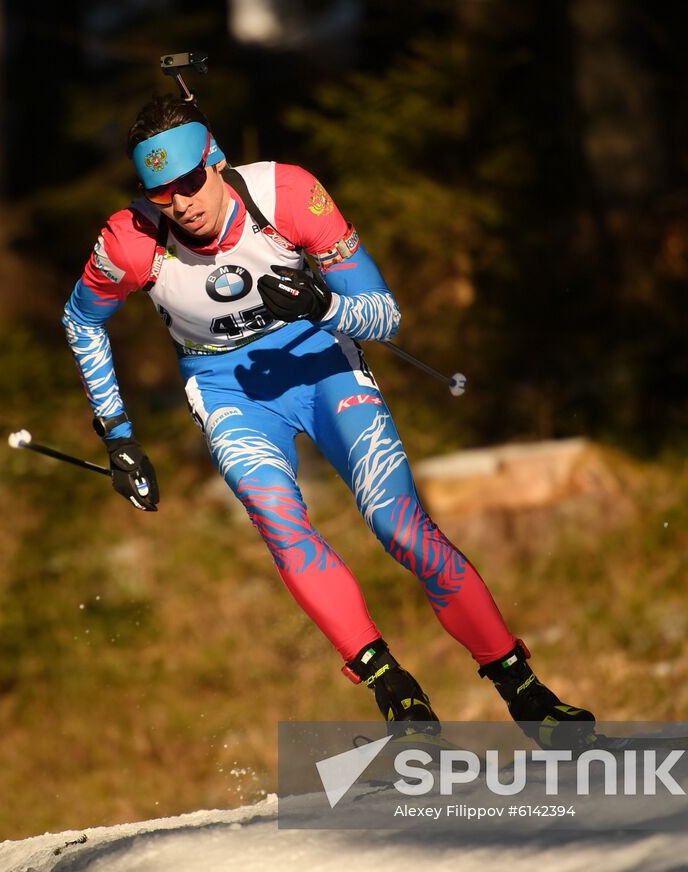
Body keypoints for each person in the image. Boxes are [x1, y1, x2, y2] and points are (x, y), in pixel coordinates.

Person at [61, 95, 595, 747]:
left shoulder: (288, 195)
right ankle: (394, 690)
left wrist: (325, 305)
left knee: (400, 524)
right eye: (162, 191)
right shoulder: (131, 241)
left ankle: (527, 693)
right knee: (282, 525)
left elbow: (384, 315)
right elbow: (81, 319)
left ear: (215, 160)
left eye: (191, 181)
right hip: (229, 390)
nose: (182, 203)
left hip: (318, 362)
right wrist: (117, 433)